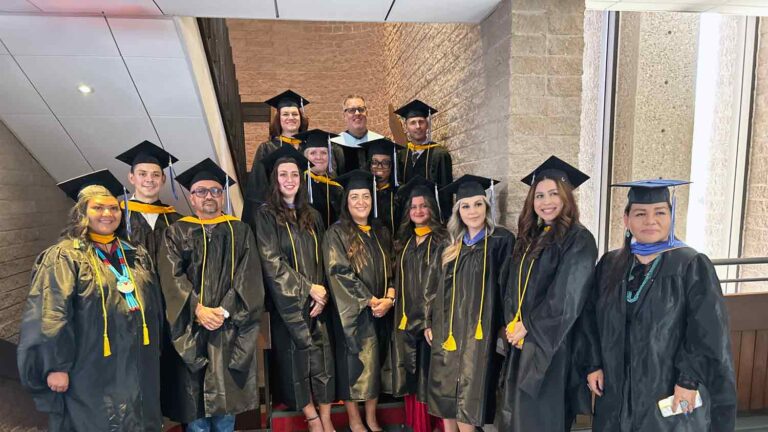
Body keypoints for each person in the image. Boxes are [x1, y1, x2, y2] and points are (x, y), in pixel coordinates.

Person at [577, 179, 737, 432]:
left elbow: (707, 330)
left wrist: (688, 380)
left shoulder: (690, 264)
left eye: (660, 212)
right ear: (626, 220)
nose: (650, 220)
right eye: (640, 213)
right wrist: (594, 364)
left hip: (668, 385)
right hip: (617, 387)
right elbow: (590, 319)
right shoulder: (610, 264)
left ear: (671, 216)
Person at [17, 170, 163, 431]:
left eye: (113, 208)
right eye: (98, 208)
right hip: (88, 363)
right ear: (82, 212)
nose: (108, 214)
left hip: (135, 359)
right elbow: (51, 313)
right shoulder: (64, 257)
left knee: (137, 419)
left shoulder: (133, 254)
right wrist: (55, 366)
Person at [157, 158, 264, 432]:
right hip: (190, 329)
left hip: (228, 328)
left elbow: (248, 275)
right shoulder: (177, 231)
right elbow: (171, 277)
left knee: (225, 407)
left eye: (215, 191)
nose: (209, 196)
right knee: (194, 406)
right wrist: (198, 309)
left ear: (223, 196)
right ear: (191, 198)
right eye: (201, 191)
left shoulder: (240, 230)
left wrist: (224, 311)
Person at [496, 156, 597, 432]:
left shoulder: (579, 239)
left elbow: (567, 297)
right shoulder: (530, 236)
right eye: (539, 195)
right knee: (517, 417)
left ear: (567, 197)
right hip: (523, 342)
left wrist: (527, 325)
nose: (546, 201)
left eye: (554, 193)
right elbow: (510, 287)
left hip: (552, 347)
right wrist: (512, 325)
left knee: (540, 418)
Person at [254, 146, 336, 432]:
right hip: (288, 303)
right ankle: (312, 417)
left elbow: (326, 257)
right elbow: (271, 260)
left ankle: (327, 417)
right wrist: (307, 289)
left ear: (302, 178)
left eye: (294, 174)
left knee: (324, 361)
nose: (289, 179)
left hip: (319, 301)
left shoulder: (312, 215)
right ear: (275, 180)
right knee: (296, 360)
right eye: (283, 175)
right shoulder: (265, 216)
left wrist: (323, 291)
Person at [427, 175, 515, 432]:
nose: (472, 211)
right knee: (445, 393)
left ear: (487, 206)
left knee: (469, 395)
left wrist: (503, 325)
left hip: (480, 332)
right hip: (448, 330)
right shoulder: (449, 243)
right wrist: (429, 321)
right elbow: (433, 286)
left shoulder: (500, 240)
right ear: (458, 211)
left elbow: (507, 286)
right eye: (465, 206)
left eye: (478, 204)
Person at [323, 169, 394, 432]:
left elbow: (394, 269)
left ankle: (372, 418)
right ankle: (354, 420)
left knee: (375, 365)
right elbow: (338, 271)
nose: (361, 202)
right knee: (352, 364)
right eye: (355, 197)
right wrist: (369, 300)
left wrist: (389, 297)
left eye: (366, 196)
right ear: (347, 202)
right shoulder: (336, 233)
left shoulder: (381, 231)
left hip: (381, 311)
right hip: (351, 312)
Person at [391, 176, 448, 432]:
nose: (418, 211)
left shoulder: (442, 240)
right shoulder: (403, 242)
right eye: (413, 207)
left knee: (430, 376)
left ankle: (435, 425)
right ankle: (417, 424)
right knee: (411, 375)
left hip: (430, 320)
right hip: (405, 319)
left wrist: (433, 318)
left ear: (432, 209)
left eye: (423, 206)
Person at [243, 89, 310, 223]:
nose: (290, 118)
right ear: (279, 119)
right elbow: (258, 187)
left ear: (300, 118)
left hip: (308, 213)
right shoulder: (267, 148)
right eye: (285, 114)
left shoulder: (309, 148)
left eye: (294, 114)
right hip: (277, 216)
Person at [115, 140, 184, 260]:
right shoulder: (117, 217)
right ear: (131, 178)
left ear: (163, 179)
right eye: (142, 174)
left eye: (156, 175)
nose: (149, 179)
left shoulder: (177, 221)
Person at [394, 100, 452, 219]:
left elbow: (446, 192)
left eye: (421, 122)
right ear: (406, 127)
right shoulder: (400, 154)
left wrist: (445, 220)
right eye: (413, 123)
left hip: (434, 218)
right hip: (407, 217)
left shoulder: (440, 154)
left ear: (427, 125)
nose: (418, 126)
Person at [297, 128, 344, 227]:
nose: (319, 157)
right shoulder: (297, 184)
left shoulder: (336, 188)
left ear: (329, 156)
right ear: (306, 157)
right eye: (313, 153)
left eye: (323, 152)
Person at [360, 137, 404, 235]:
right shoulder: (362, 192)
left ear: (392, 166)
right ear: (369, 165)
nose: (379, 167)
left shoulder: (401, 193)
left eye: (385, 163)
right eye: (375, 162)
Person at [330, 95, 384, 173]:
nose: (357, 113)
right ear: (344, 116)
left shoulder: (380, 142)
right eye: (352, 110)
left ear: (367, 113)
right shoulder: (334, 145)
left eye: (361, 109)